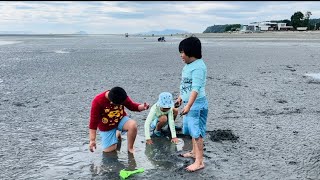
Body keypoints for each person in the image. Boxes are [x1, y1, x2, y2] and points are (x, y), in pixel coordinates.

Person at [175, 36, 208, 172]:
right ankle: (194, 153)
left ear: (191, 51)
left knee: (197, 132)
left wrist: (189, 106)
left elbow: (195, 88)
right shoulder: (188, 66)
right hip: (189, 102)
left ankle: (199, 161)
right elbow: (185, 86)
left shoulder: (199, 67)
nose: (181, 55)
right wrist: (181, 98)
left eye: (183, 52)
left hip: (197, 104)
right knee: (191, 130)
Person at [89, 86, 149, 154]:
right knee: (109, 152)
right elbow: (93, 122)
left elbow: (132, 106)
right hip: (106, 127)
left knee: (132, 125)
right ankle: (117, 133)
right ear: (112, 102)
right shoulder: (97, 101)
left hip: (120, 119)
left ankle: (130, 148)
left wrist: (143, 107)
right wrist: (92, 140)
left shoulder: (121, 95)